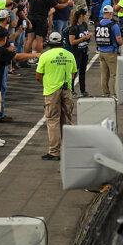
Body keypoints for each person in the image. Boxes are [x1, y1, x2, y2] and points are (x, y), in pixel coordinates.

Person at [35, 32, 77, 161]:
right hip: (67, 90)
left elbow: (38, 76)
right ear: (61, 42)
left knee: (53, 121)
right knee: (67, 120)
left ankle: (54, 152)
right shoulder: (69, 55)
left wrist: (47, 84)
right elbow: (74, 73)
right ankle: (70, 149)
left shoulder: (45, 56)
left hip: (51, 91)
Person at [94, 6, 123, 97]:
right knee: (114, 74)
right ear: (110, 13)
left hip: (101, 51)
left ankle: (106, 93)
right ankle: (114, 93)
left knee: (104, 74)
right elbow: (119, 40)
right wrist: (122, 41)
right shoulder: (114, 25)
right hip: (110, 52)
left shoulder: (98, 24)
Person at [66, 8, 92, 97]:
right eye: (86, 15)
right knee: (74, 71)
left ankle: (83, 90)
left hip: (84, 51)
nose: (87, 16)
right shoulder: (73, 28)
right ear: (81, 16)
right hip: (76, 52)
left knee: (83, 71)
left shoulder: (84, 25)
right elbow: (72, 42)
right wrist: (83, 38)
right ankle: (72, 90)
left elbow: (86, 37)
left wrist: (88, 37)